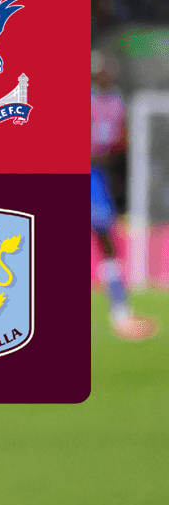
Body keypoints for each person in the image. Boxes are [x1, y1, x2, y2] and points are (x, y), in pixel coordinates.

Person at [91, 51, 157, 340]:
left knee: (107, 242)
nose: (109, 74)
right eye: (103, 70)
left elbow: (117, 140)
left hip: (97, 177)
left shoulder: (116, 101)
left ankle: (121, 314)